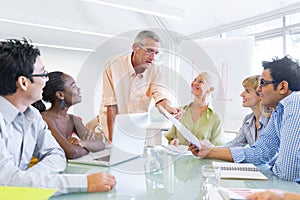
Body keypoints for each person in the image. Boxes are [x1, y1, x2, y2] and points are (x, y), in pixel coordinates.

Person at [0, 39, 116, 195]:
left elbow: (57, 154)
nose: (46, 80)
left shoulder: (32, 115)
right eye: (43, 74)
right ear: (23, 82)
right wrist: (84, 183)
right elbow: (7, 183)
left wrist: (25, 179)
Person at [189, 56, 300, 182]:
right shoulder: (278, 111)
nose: (259, 89)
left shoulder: (295, 103)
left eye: (263, 83)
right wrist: (209, 151)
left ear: (282, 87)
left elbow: (288, 172)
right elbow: (260, 152)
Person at [101, 30, 182, 141]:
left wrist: (169, 109)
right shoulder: (113, 65)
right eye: (149, 51)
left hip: (137, 128)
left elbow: (160, 96)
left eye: (156, 53)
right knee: (114, 154)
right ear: (135, 48)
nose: (153, 58)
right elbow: (111, 105)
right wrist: (112, 141)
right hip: (112, 125)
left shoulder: (157, 71)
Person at [33, 71, 106, 159]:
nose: (79, 90)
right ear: (60, 95)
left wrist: (83, 143)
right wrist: (89, 147)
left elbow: (100, 145)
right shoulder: (45, 118)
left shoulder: (73, 119)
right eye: (74, 87)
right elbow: (71, 153)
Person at [164, 71, 224, 146]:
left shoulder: (215, 118)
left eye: (201, 81)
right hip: (179, 157)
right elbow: (171, 137)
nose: (195, 83)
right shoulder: (180, 111)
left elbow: (217, 149)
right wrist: (174, 141)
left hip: (202, 158)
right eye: (195, 80)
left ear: (210, 89)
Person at [223, 75, 270, 147]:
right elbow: (235, 144)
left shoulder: (272, 120)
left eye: (247, 91)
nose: (241, 94)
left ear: (261, 95)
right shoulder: (248, 120)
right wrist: (208, 150)